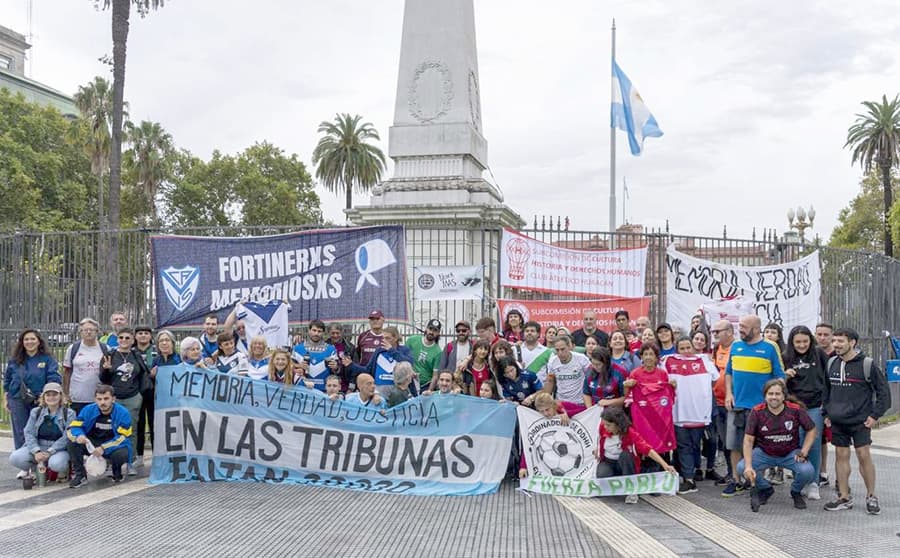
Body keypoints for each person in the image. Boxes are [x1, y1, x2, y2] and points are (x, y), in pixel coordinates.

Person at [822, 328, 891, 515]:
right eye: (834, 340)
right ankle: (844, 497)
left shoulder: (867, 364)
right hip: (837, 420)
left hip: (860, 421)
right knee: (840, 456)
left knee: (863, 455)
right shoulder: (831, 363)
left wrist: (875, 415)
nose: (835, 344)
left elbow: (884, 393)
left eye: (840, 341)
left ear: (852, 342)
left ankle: (871, 496)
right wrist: (826, 413)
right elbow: (826, 391)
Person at [722, 315, 785, 497]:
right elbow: (728, 373)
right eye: (740, 326)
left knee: (760, 447)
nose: (740, 330)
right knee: (734, 445)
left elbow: (780, 375)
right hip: (737, 405)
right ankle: (736, 480)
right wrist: (729, 393)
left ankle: (757, 481)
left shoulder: (770, 347)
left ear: (756, 329)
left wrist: (774, 400)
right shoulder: (735, 346)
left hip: (760, 409)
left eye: (744, 327)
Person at [738, 379, 817, 512]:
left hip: (790, 452)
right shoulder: (757, 411)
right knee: (741, 467)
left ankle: (795, 491)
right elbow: (748, 440)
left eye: (777, 394)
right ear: (765, 396)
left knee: (807, 471)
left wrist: (804, 451)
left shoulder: (795, 410)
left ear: (783, 396)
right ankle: (765, 488)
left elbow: (812, 429)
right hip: (764, 453)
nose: (774, 397)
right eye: (770, 394)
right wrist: (748, 466)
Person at [667, 337, 719, 494]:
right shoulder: (668, 361)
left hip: (700, 415)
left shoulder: (705, 362)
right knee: (684, 447)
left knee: (698, 446)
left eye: (688, 347)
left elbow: (715, 381)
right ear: (677, 349)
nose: (685, 351)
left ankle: (694, 473)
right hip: (679, 414)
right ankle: (689, 479)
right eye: (681, 348)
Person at [594, 405, 677, 504]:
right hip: (608, 462)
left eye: (608, 425)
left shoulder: (630, 432)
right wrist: (597, 450)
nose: (605, 427)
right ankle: (617, 482)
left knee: (626, 455)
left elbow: (647, 449)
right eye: (604, 424)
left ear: (617, 424)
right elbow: (599, 442)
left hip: (624, 463)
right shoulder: (602, 428)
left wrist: (665, 465)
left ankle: (631, 490)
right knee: (602, 475)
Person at [782, 325, 828, 501]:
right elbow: (778, 381)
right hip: (794, 407)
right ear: (792, 342)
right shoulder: (786, 357)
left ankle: (814, 482)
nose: (801, 345)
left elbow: (828, 377)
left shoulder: (819, 354)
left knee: (814, 443)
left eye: (805, 341)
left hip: (815, 405)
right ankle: (799, 480)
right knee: (797, 443)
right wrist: (785, 375)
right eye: (798, 342)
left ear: (811, 340)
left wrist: (827, 402)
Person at [4, 329, 62, 459]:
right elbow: (7, 380)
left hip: (40, 400)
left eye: (32, 339)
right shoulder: (15, 360)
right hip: (17, 399)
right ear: (22, 342)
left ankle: (39, 459)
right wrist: (6, 398)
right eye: (26, 339)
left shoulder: (47, 359)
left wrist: (48, 396)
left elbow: (54, 378)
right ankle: (23, 462)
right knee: (20, 431)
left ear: (39, 341)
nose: (29, 342)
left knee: (37, 430)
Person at [99, 328, 148, 476]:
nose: (124, 340)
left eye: (128, 338)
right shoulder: (110, 355)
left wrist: (139, 393)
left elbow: (142, 373)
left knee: (130, 430)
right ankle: (110, 463)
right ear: (117, 339)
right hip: (115, 398)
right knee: (110, 429)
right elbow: (102, 379)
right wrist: (106, 370)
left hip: (132, 397)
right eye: (121, 338)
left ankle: (130, 461)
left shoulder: (136, 355)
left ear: (133, 340)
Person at [66, 384, 132, 487]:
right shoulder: (88, 410)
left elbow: (122, 437)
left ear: (113, 399)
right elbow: (73, 427)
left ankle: (117, 471)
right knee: (72, 443)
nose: (102, 402)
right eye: (99, 399)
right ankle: (81, 475)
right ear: (95, 399)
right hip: (91, 443)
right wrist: (79, 436)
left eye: (106, 399)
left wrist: (103, 448)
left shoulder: (123, 413)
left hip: (113, 445)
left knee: (121, 453)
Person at [624, 342, 678, 469]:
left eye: (651, 354)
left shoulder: (662, 374)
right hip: (642, 418)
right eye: (645, 354)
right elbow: (627, 395)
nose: (648, 357)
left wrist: (673, 386)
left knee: (661, 446)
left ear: (656, 357)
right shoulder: (635, 373)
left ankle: (663, 474)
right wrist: (627, 386)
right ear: (641, 357)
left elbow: (668, 396)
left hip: (659, 419)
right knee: (644, 446)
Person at [9, 382, 76, 480]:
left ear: (61, 396)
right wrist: (36, 451)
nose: (51, 398)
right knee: (15, 458)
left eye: (54, 395)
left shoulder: (69, 414)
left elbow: (67, 436)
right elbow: (28, 432)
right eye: (48, 395)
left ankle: (63, 470)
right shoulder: (36, 412)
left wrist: (50, 452)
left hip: (58, 449)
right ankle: (36, 469)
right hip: (39, 445)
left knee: (57, 464)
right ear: (43, 397)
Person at [345, 326, 414, 396]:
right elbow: (367, 369)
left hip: (398, 391)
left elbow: (409, 364)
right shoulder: (379, 351)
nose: (384, 340)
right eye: (383, 338)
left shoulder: (404, 350)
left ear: (395, 338)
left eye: (388, 338)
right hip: (380, 391)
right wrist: (351, 365)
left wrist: (391, 351)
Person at [63, 318, 108, 415]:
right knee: (79, 426)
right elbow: (67, 372)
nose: (88, 332)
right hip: (78, 398)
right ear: (80, 332)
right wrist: (66, 393)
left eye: (91, 330)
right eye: (85, 330)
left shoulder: (105, 348)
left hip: (100, 398)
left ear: (97, 331)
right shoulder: (73, 348)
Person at [710, 320, 735, 484]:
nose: (715, 335)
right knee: (725, 440)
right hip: (717, 402)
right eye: (714, 332)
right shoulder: (715, 350)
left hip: (733, 403)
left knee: (734, 440)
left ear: (729, 331)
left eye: (717, 331)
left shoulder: (738, 348)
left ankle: (737, 473)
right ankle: (730, 471)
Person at [543, 334, 592, 412]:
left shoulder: (582, 359)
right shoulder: (552, 361)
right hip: (560, 403)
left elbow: (591, 378)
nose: (560, 353)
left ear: (569, 347)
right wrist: (545, 401)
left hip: (580, 403)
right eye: (557, 350)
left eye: (563, 349)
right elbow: (550, 381)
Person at [293, 320, 339, 392]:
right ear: (309, 330)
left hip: (323, 391)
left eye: (319, 331)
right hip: (302, 389)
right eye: (314, 330)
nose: (316, 333)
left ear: (323, 333)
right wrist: (298, 366)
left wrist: (336, 367)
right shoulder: (297, 349)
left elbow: (336, 371)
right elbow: (289, 368)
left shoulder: (331, 349)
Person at [815, 322, 835, 487]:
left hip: (836, 403)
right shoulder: (811, 353)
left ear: (832, 336)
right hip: (816, 402)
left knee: (837, 441)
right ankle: (819, 472)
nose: (822, 338)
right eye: (819, 334)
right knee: (818, 439)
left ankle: (834, 476)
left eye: (825, 334)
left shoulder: (838, 354)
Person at [406, 319, 443, 392]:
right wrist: (410, 370)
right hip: (408, 382)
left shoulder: (438, 352)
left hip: (425, 385)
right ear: (426, 328)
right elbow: (403, 359)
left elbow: (435, 376)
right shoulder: (412, 340)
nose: (431, 332)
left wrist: (429, 390)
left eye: (435, 330)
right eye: (430, 328)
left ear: (438, 333)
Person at [326, 323, 356, 390]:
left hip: (345, 386)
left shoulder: (350, 347)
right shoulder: (324, 347)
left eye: (338, 333)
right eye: (333, 333)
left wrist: (351, 388)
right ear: (328, 333)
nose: (335, 335)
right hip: (328, 387)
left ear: (342, 333)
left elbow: (354, 369)